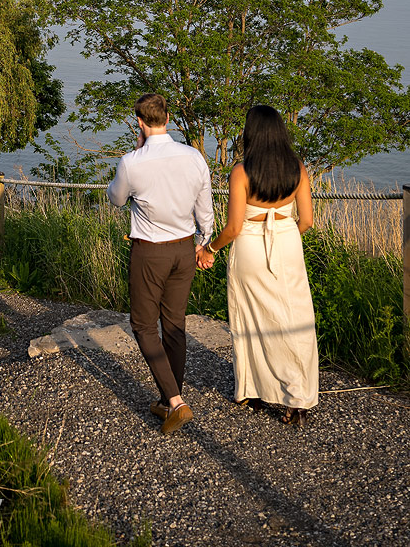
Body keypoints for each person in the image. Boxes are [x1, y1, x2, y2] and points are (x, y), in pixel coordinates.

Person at [202, 104, 318, 426]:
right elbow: (306, 220)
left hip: (251, 247)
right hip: (288, 242)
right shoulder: (298, 168)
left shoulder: (241, 172)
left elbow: (234, 227)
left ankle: (250, 390)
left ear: (250, 134)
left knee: (249, 318)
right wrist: (285, 235)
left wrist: (209, 249)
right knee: (294, 317)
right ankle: (298, 398)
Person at [107, 93, 214, 434]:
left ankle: (177, 402)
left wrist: (135, 154)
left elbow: (116, 199)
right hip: (184, 249)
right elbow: (205, 211)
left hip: (150, 251)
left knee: (142, 325)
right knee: (174, 324)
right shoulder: (194, 157)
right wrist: (202, 242)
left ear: (139, 122)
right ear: (167, 119)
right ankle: (170, 398)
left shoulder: (132, 162)